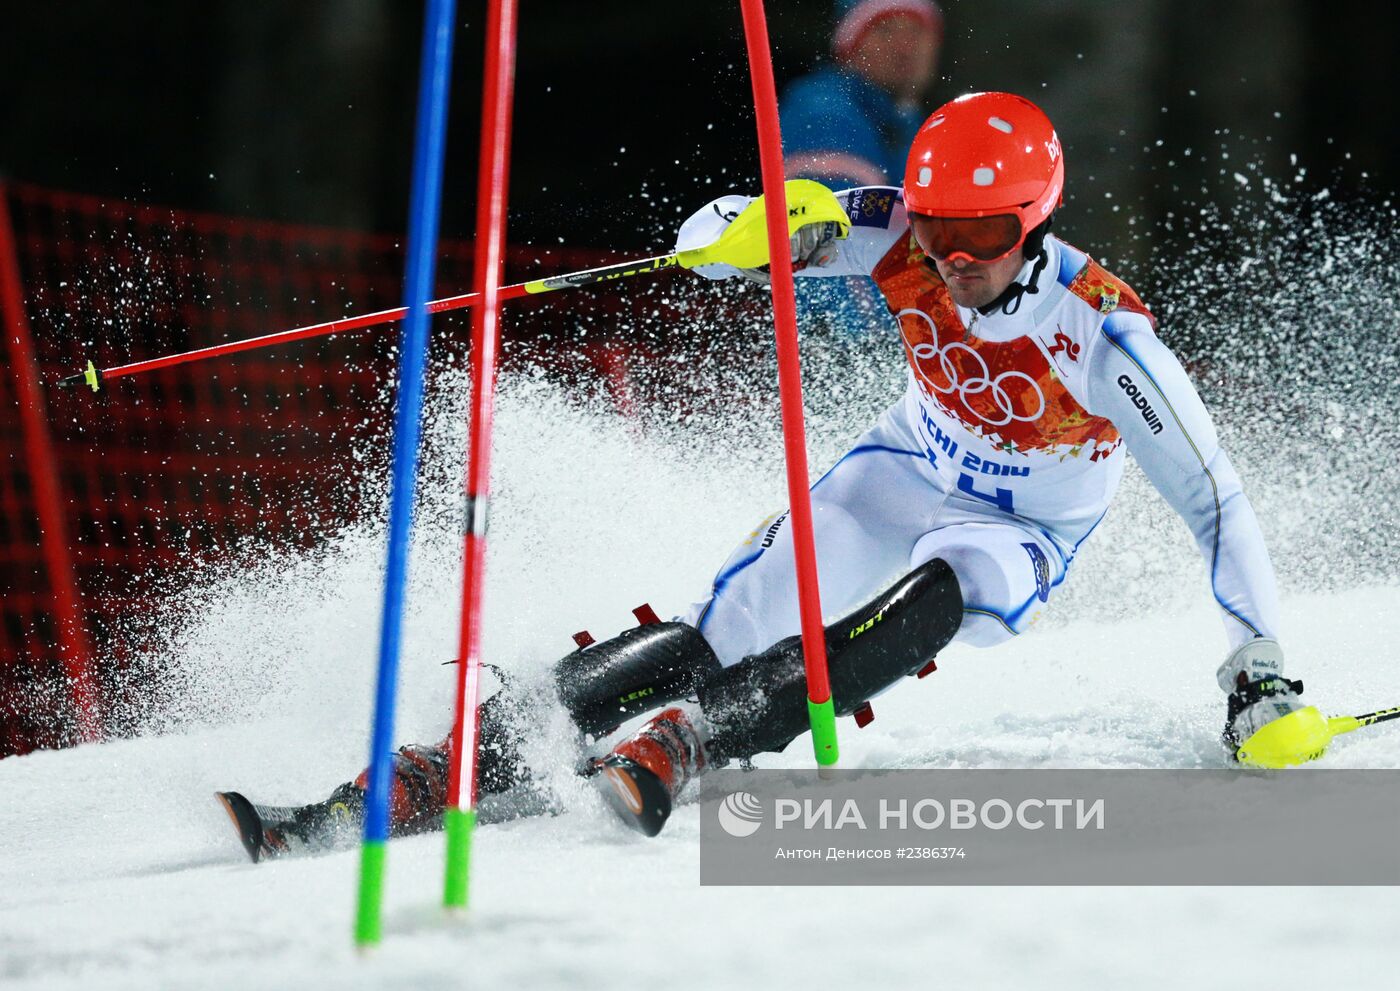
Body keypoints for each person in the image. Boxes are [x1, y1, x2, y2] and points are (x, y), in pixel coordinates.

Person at [218, 92, 1327, 860]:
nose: (952, 252)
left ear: (1032, 221)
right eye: (939, 225)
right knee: (736, 609)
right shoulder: (899, 233)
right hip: (909, 460)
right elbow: (712, 239)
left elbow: (1214, 498)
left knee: (944, 596)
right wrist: (758, 228)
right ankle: (442, 763)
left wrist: (1256, 667)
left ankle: (705, 733)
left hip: (1023, 519)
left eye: (983, 229)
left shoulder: (1104, 333)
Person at [781, 0, 944, 338]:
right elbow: (843, 250)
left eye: (916, 31)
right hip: (836, 350)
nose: (905, 46)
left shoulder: (907, 121)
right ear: (850, 45)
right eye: (885, 30)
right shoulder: (825, 112)